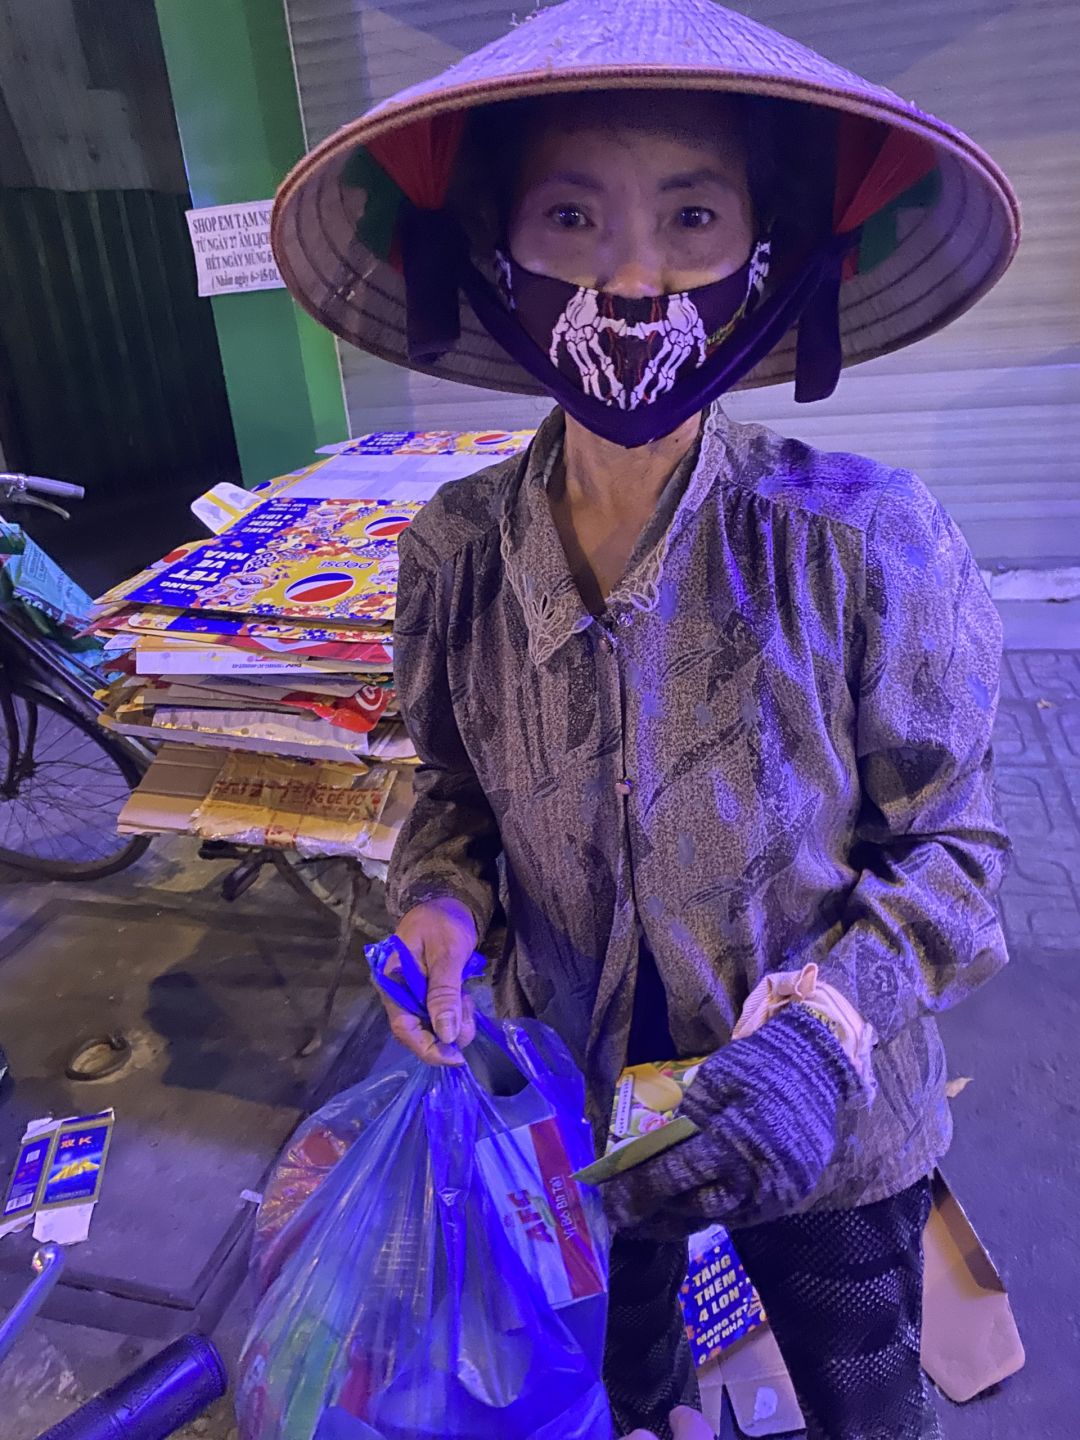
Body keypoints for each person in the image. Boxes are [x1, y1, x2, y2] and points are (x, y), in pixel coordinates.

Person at [271, 3, 1020, 1437]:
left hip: (830, 1125)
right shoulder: (457, 553)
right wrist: (440, 910)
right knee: (622, 1382)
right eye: (572, 217)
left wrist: (826, 1030)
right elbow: (456, 796)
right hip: (577, 1106)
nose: (629, 278)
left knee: (865, 1396)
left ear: (766, 254)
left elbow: (956, 855)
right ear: (494, 251)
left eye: (692, 217)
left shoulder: (861, 541)